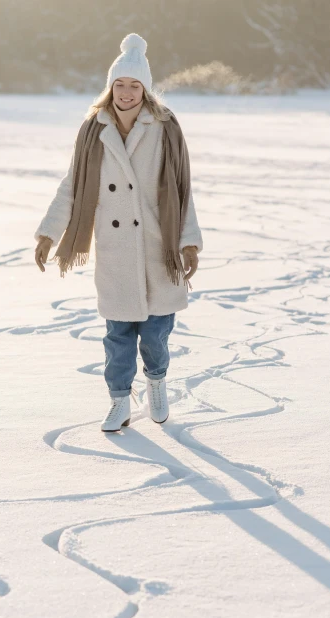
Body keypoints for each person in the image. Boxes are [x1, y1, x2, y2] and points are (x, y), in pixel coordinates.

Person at [34, 33, 203, 432]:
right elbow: (73, 188)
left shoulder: (165, 129)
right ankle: (119, 402)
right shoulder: (94, 130)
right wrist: (48, 233)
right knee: (118, 337)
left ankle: (157, 383)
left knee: (156, 335)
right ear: (110, 87)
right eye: (120, 84)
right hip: (116, 251)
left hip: (158, 249)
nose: (126, 92)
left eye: (134, 85)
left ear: (145, 88)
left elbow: (181, 190)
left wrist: (189, 241)